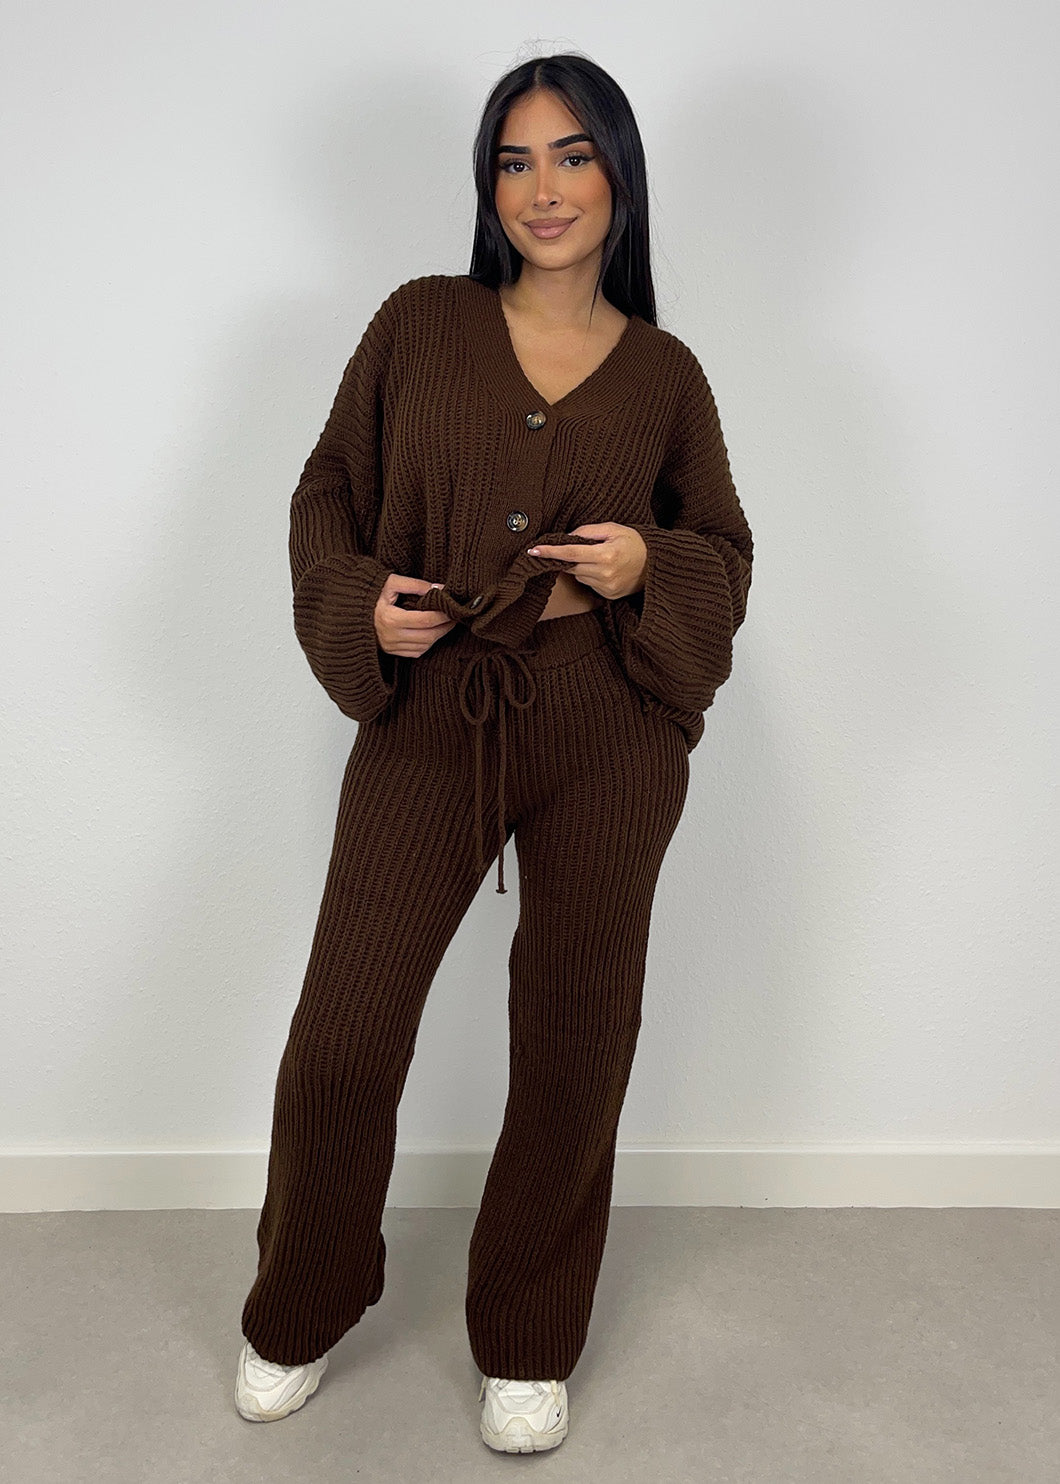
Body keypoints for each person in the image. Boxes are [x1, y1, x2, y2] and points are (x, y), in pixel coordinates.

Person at [234, 51, 753, 1453]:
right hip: (436, 712)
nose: (544, 188)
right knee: (344, 1034)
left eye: (573, 156)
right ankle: (303, 1296)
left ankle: (528, 1336)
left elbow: (724, 550)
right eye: (515, 161)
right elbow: (328, 491)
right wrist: (361, 607)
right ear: (488, 187)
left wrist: (649, 564)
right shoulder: (420, 323)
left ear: (620, 176)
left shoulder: (666, 374)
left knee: (578, 1037)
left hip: (608, 730)